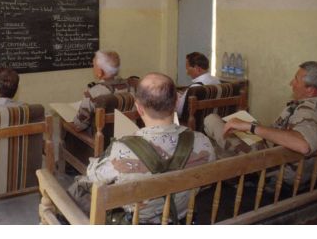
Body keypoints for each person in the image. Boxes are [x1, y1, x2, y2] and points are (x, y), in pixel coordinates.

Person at [68, 72, 216, 223]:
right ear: (177, 101)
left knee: (77, 188)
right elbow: (206, 183)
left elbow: (94, 176)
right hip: (183, 216)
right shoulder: (202, 142)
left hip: (137, 222)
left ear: (139, 108)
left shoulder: (122, 151)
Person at [204, 61, 317, 184]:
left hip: (279, 166)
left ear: (310, 91)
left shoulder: (310, 111)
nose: (291, 83)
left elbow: (303, 145)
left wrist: (251, 127)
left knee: (212, 121)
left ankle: (222, 164)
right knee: (230, 134)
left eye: (296, 79)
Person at [71, 50, 134, 132]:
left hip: (102, 141)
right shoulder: (132, 88)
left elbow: (79, 125)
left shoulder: (93, 93)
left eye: (94, 66)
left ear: (100, 72)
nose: (93, 68)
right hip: (126, 137)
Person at [176, 52, 220, 116]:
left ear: (197, 69)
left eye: (188, 68)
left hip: (194, 123)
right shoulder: (217, 81)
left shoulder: (194, 88)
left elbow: (179, 112)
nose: (187, 72)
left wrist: (176, 99)